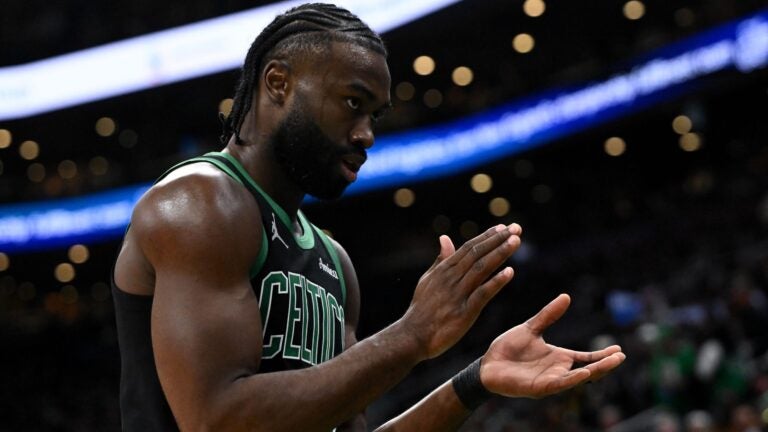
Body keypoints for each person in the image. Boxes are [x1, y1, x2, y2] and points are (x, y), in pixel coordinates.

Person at [111, 3, 626, 431]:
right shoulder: (200, 205)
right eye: (352, 103)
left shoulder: (334, 262)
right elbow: (216, 420)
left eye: (374, 115)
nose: (366, 134)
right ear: (277, 83)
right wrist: (412, 335)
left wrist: (472, 381)